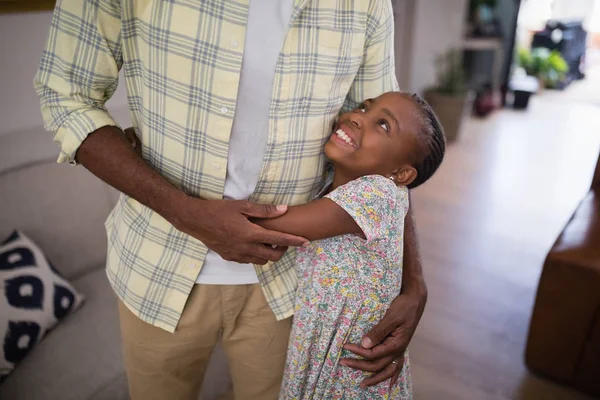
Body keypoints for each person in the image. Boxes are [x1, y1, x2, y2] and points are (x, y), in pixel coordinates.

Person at [35, 1, 429, 399]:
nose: (360, 116)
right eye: (362, 111)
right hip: (155, 267)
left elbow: (393, 161)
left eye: (373, 116)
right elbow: (66, 97)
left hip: (292, 284)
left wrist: (414, 283)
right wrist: (183, 210)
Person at [251, 92, 445, 399]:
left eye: (382, 125)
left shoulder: (376, 194)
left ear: (401, 174)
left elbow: (267, 225)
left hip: (349, 369)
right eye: (365, 107)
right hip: (324, 349)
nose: (357, 116)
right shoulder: (345, 179)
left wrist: (204, 214)